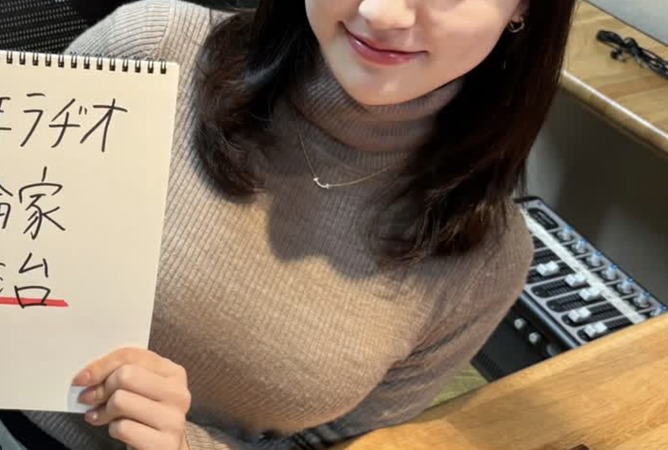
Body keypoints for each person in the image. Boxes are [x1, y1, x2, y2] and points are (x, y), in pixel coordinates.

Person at [1, 0, 576, 449]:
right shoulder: (153, 47)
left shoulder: (484, 262)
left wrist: (185, 443)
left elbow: (336, 442)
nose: (381, 13)